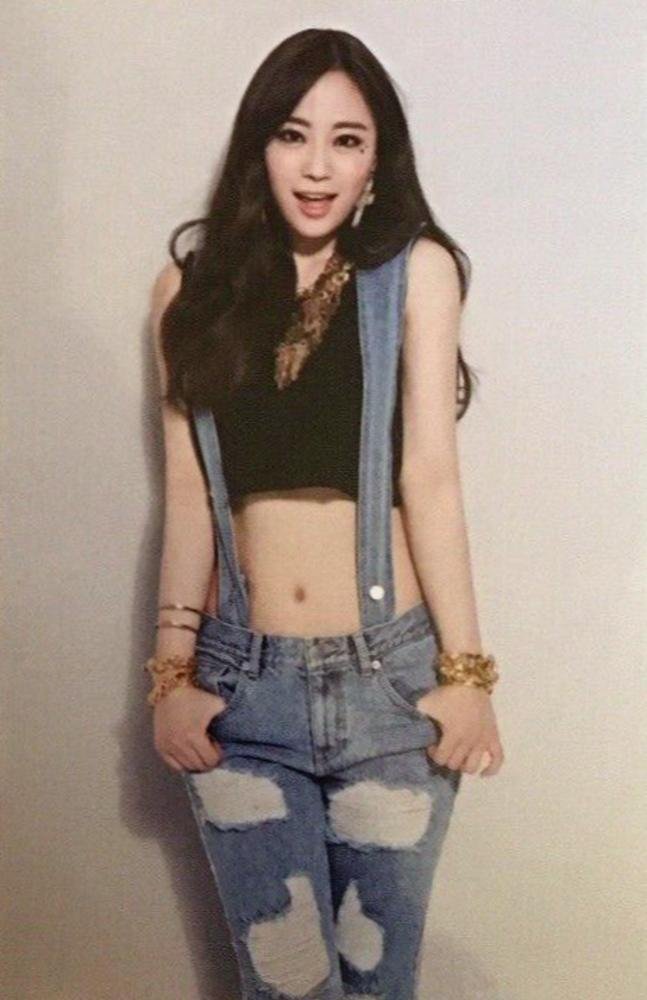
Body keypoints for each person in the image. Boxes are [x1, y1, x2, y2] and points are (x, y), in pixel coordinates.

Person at [146, 27, 504, 1000]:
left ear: (376, 160)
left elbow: (429, 477)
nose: (316, 167)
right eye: (292, 135)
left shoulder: (414, 273)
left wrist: (467, 675)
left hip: (388, 687)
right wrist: (170, 676)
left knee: (378, 985)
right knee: (286, 984)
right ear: (258, 147)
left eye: (346, 141)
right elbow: (188, 497)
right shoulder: (189, 292)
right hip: (242, 688)